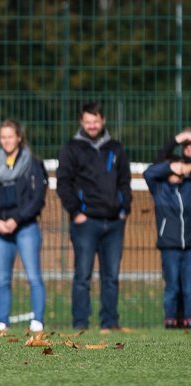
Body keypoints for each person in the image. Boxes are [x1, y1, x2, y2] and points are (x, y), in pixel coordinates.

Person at [56, 101, 131, 332]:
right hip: (85, 222)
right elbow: (63, 183)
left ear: (103, 121)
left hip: (114, 222)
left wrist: (122, 209)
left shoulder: (116, 148)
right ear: (81, 122)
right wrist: (76, 212)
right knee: (82, 276)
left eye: (96, 121)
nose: (92, 125)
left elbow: (124, 181)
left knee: (111, 277)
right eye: (88, 121)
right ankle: (80, 324)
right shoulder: (71, 148)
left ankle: (109, 323)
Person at [0, 119, 48, 333]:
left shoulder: (33, 163)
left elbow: (38, 198)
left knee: (33, 275)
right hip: (0, 230)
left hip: (26, 227)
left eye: (10, 136)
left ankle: (37, 321)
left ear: (19, 137)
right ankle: (2, 322)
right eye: (3, 137)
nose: (7, 141)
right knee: (2, 279)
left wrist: (17, 219)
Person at [144, 130, 191, 329]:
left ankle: (188, 319)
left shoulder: (188, 186)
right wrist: (176, 141)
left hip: (189, 245)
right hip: (169, 245)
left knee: (189, 287)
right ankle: (170, 319)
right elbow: (149, 172)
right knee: (172, 286)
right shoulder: (160, 189)